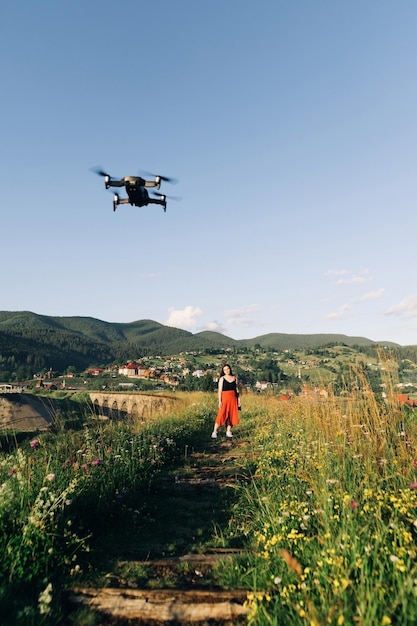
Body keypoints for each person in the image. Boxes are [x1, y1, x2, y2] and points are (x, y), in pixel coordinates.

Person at [211, 364, 241, 439]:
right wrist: (219, 401)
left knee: (231, 415)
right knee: (221, 415)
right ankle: (214, 431)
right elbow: (219, 391)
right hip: (224, 399)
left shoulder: (234, 378)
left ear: (230, 369)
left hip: (233, 399)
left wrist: (239, 400)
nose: (226, 371)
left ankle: (228, 431)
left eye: (227, 369)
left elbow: (236, 390)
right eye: (224, 370)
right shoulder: (222, 379)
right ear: (223, 371)